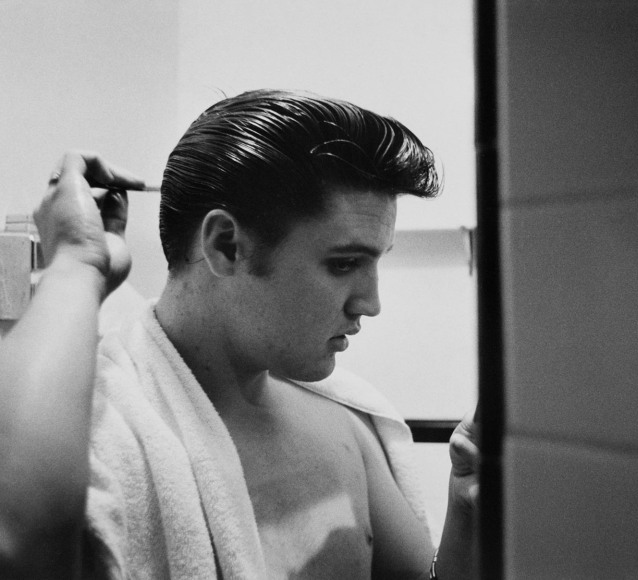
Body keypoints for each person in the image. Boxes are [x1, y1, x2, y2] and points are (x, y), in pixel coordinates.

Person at [0, 90, 479, 579]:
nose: (370, 303)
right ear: (226, 246)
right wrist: (77, 262)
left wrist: (466, 506)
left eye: (375, 262)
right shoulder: (94, 435)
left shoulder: (348, 430)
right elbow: (17, 543)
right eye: (344, 263)